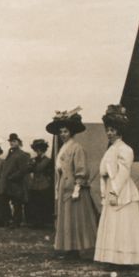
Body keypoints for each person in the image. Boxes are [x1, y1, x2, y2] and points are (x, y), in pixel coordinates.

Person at [94, 105, 139, 266]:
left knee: (124, 224)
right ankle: (114, 258)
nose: (109, 133)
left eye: (113, 130)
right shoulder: (111, 149)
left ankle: (128, 258)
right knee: (113, 223)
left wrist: (114, 191)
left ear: (120, 131)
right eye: (108, 130)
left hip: (121, 190)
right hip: (110, 186)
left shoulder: (126, 149)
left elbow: (123, 172)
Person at [46, 110, 98, 258]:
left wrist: (77, 186)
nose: (63, 134)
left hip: (74, 188)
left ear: (71, 132)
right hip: (64, 185)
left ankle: (76, 248)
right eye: (61, 131)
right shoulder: (63, 148)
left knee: (74, 218)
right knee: (66, 218)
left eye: (66, 131)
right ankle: (69, 248)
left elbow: (81, 169)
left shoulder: (77, 148)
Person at [0, 133, 30, 228]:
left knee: (17, 203)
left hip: (16, 183)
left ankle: (16, 222)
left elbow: (23, 170)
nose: (12, 143)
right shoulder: (10, 154)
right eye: (11, 141)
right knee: (4, 200)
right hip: (6, 183)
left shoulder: (22, 155)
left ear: (19, 143)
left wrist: (12, 177)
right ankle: (5, 220)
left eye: (14, 141)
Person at [27, 139, 54, 228]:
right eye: (37, 149)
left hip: (44, 184)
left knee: (42, 203)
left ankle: (42, 222)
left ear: (43, 150)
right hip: (35, 183)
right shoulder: (34, 159)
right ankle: (35, 222)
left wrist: (33, 164)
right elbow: (29, 169)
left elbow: (39, 168)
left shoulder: (47, 160)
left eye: (40, 149)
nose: (38, 151)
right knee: (35, 203)